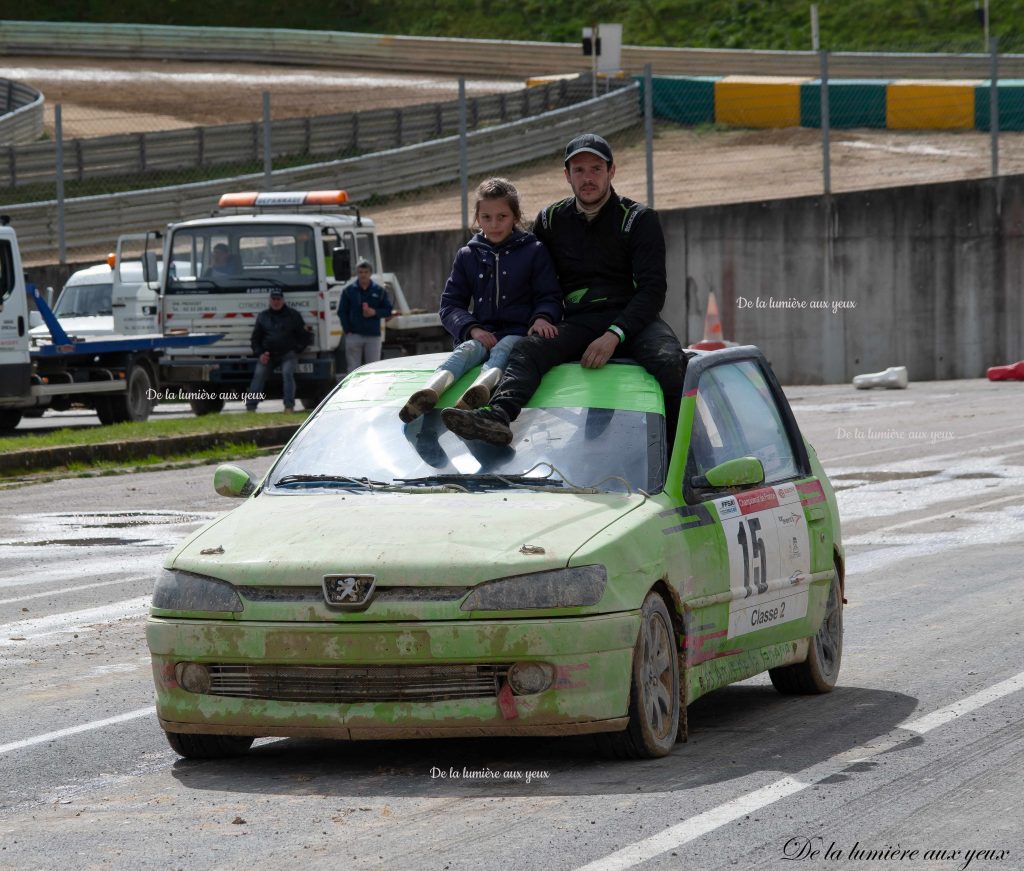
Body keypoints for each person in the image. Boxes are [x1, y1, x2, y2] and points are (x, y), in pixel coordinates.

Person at [441, 133, 685, 447]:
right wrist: (516, 321)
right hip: (578, 321)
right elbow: (525, 270)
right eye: (579, 170)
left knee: (670, 361)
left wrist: (614, 335)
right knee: (527, 349)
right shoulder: (550, 219)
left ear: (611, 171)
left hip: (631, 319)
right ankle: (498, 416)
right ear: (566, 175)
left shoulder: (639, 219)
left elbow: (653, 291)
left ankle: (676, 450)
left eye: (596, 169)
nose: (588, 178)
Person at [399, 177, 562, 423]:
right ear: (477, 218)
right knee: (467, 349)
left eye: (502, 217)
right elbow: (450, 304)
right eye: (486, 217)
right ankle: (430, 390)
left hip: (519, 332)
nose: (494, 224)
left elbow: (549, 295)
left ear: (516, 217)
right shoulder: (467, 255)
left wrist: (542, 318)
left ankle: (482, 389)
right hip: (482, 334)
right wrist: (472, 328)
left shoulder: (534, 251)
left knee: (506, 347)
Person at [246, 288, 310, 412]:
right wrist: (260, 354)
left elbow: (304, 335)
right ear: (270, 300)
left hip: (288, 354)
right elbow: (255, 339)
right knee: (258, 375)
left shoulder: (293, 315)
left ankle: (289, 406)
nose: (276, 302)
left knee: (287, 374)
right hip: (268, 355)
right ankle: (251, 407)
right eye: (274, 299)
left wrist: (297, 349)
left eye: (278, 299)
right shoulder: (263, 316)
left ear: (283, 300)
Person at [339, 258, 393, 372]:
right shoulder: (348, 291)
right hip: (354, 335)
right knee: (353, 370)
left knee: (373, 369)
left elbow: (388, 310)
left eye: (366, 272)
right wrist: (347, 330)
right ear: (357, 273)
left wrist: (375, 312)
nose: (363, 275)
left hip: (373, 336)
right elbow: (341, 311)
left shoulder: (379, 291)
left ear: (370, 273)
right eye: (360, 272)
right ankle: (353, 390)